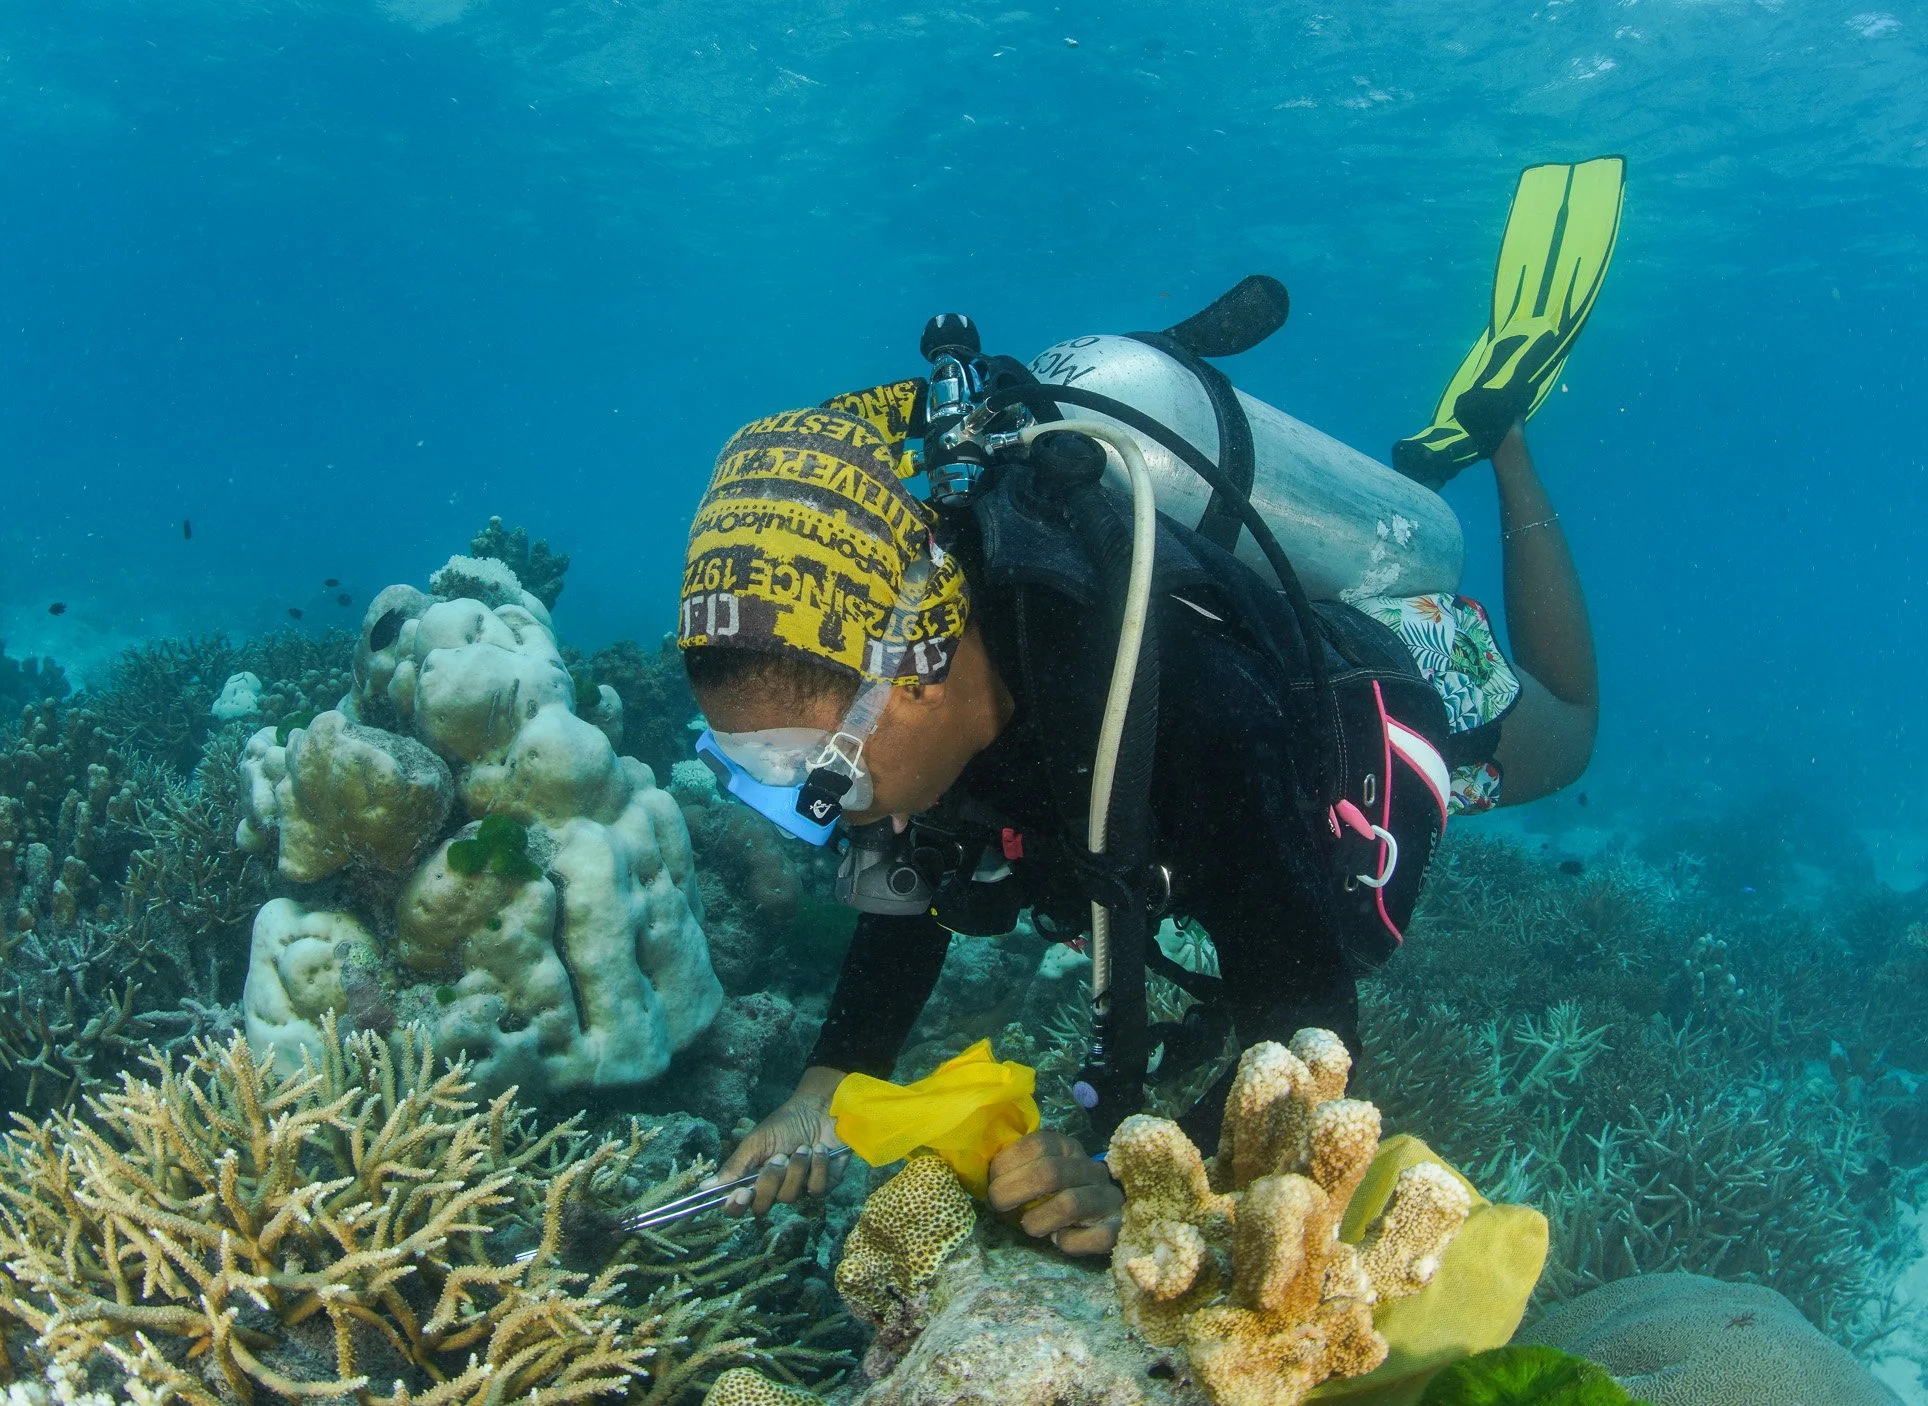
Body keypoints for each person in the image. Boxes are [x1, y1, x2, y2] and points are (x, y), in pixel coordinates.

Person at [680, 157, 1621, 1256]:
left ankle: (1500, 434)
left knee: (1567, 730)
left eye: (808, 764)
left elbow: (1308, 1019)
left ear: (922, 667)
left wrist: (1150, 1178)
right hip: (1194, 660)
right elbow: (905, 908)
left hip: (1354, 676)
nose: (816, 806)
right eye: (761, 772)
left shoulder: (1180, 710)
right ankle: (1424, 468)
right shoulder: (912, 709)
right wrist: (816, 1099)